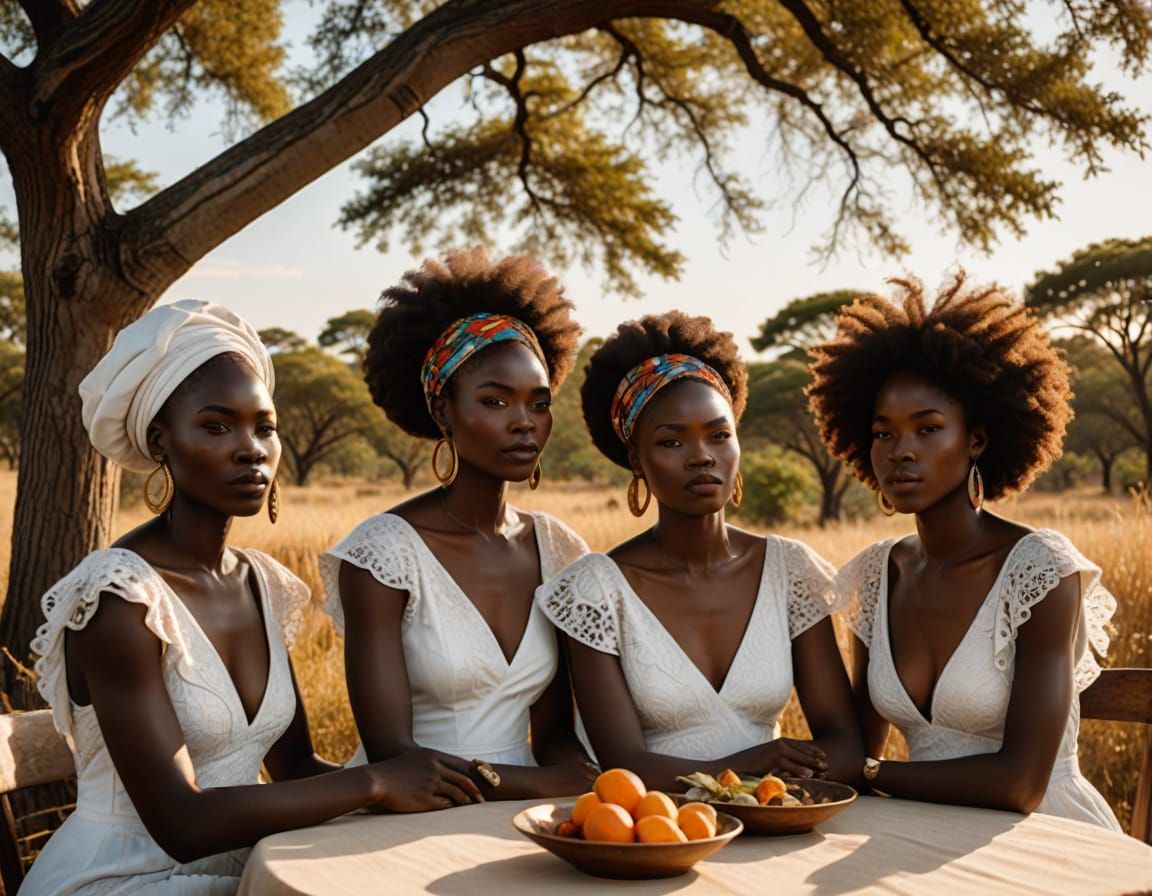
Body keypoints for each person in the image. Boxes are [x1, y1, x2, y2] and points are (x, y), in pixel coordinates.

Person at [25, 301, 482, 896]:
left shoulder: (262, 583)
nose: (252, 449)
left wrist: (443, 789)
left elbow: (293, 770)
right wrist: (372, 783)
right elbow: (182, 824)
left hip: (248, 870)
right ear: (161, 441)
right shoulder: (120, 599)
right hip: (121, 879)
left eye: (264, 426)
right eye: (216, 426)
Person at [807, 273, 1120, 829]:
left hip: (1047, 833)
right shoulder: (879, 574)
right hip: (916, 830)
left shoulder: (1041, 569)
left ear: (975, 439)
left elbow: (1020, 784)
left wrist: (876, 775)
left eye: (927, 429)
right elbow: (852, 751)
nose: (901, 452)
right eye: (884, 433)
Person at [536, 311, 863, 793]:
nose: (701, 455)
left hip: (772, 825)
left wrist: (770, 790)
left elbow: (844, 744)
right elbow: (623, 766)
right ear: (636, 459)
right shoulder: (595, 591)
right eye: (671, 440)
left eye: (719, 435)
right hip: (656, 834)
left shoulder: (791, 572)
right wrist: (749, 769)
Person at [320, 249, 595, 800]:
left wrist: (581, 778)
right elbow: (393, 755)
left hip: (531, 811)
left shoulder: (559, 550)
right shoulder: (382, 556)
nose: (524, 423)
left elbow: (556, 733)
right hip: (414, 812)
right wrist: (530, 782)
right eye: (495, 401)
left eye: (538, 404)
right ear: (444, 410)